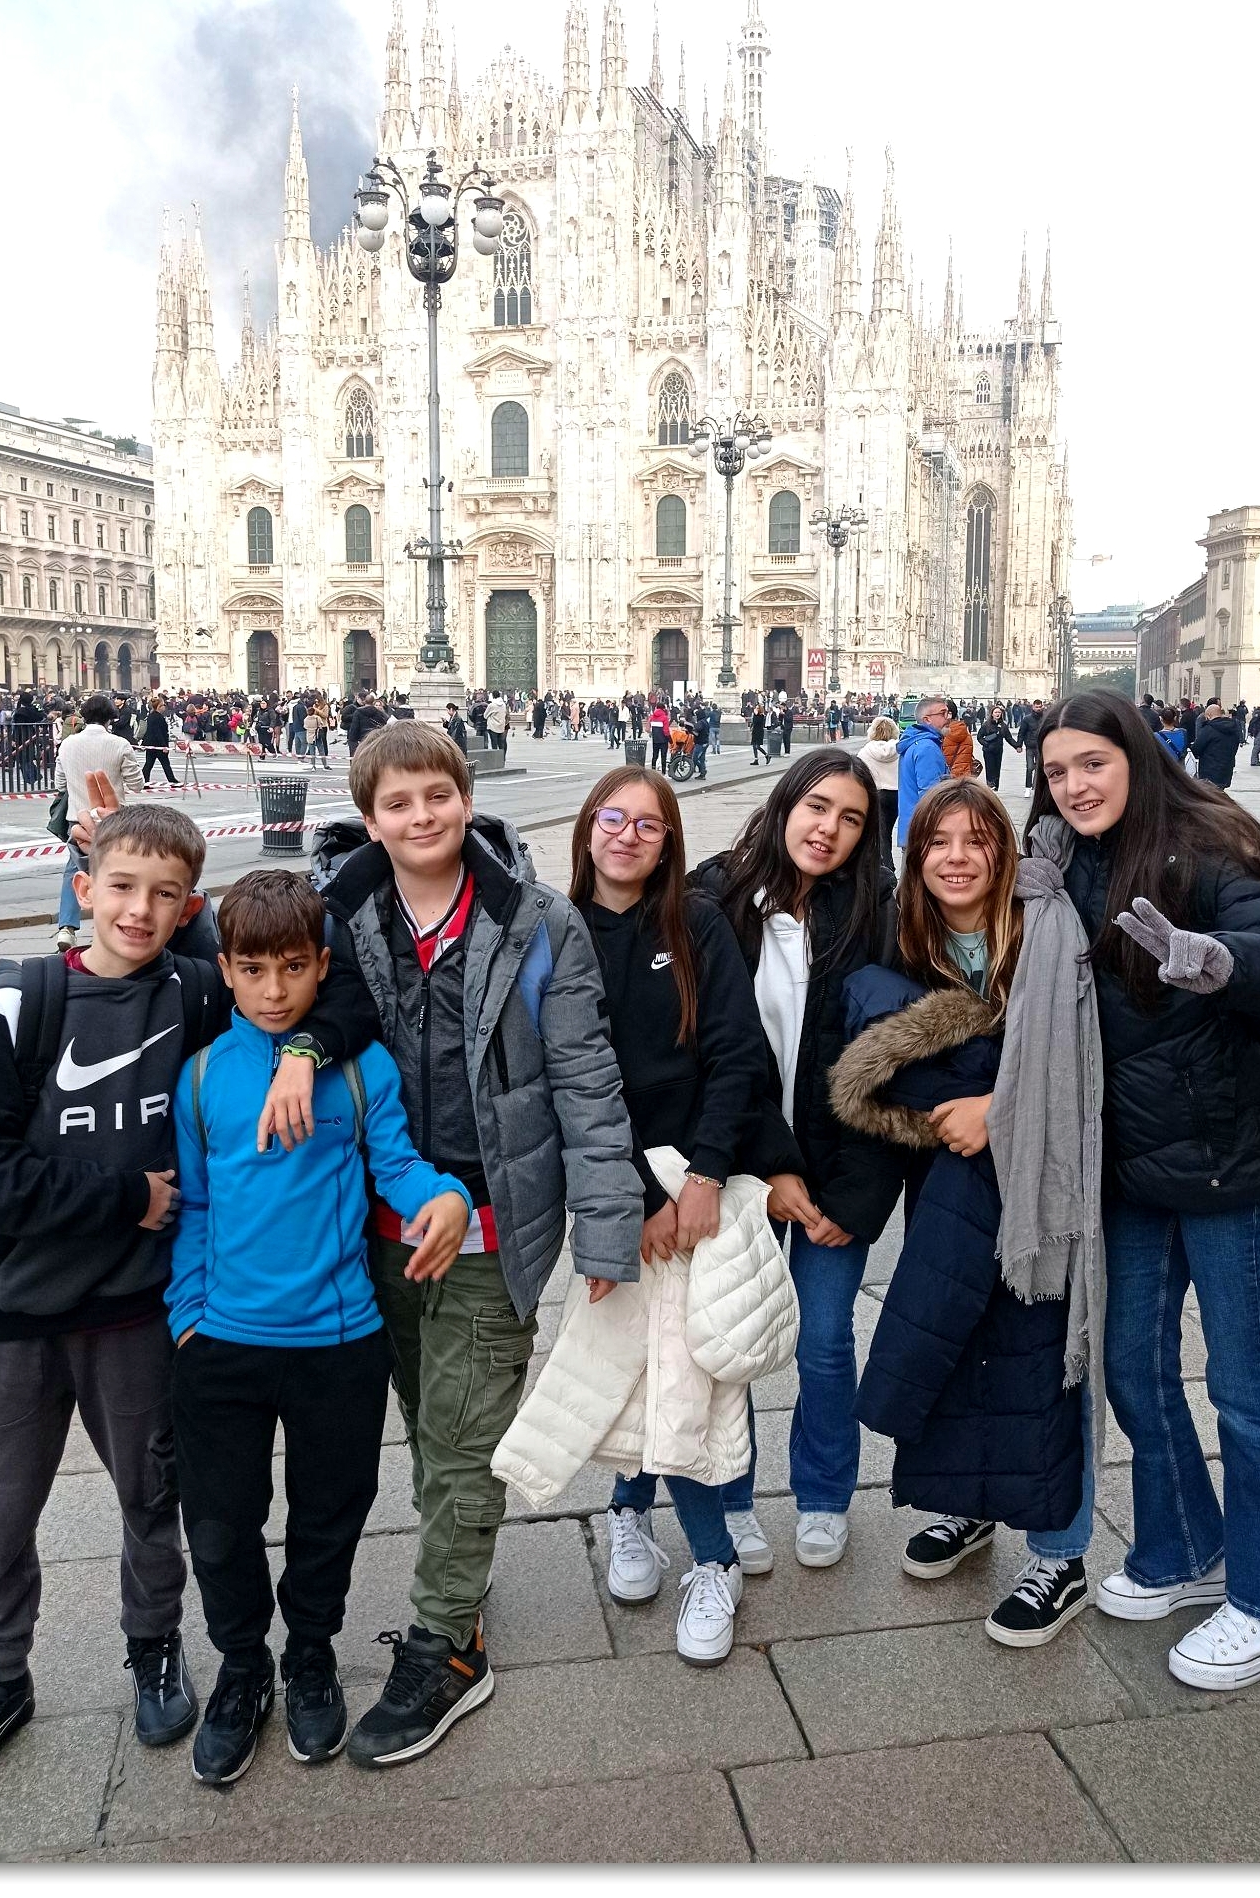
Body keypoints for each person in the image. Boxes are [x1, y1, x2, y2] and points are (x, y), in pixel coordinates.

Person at [254, 723, 642, 1766]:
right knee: (430, 1424)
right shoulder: (337, 914)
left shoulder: (536, 920)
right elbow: (265, 992)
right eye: (398, 802)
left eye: (438, 794)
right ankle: (459, 1575)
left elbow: (586, 1082)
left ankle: (447, 1645)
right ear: (369, 816)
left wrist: (607, 1228)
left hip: (489, 1222)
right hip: (365, 1226)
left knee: (467, 1438)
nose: (421, 816)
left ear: (467, 798)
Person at [1029, 690, 1260, 1690]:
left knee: (1245, 1384)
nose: (1074, 786)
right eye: (1056, 771)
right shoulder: (1058, 865)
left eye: (1092, 763)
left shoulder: (1206, 848)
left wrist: (1225, 961)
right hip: (1135, 1163)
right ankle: (1185, 1546)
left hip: (1233, 1156)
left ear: (1137, 757)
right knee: (1133, 1368)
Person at [0, 805, 227, 1811]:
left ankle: (155, 1646)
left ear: (188, 908)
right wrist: (123, 1198)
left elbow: (299, 984)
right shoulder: (26, 1002)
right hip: (17, 1314)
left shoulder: (197, 993)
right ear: (84, 888)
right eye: (122, 886)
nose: (140, 909)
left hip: (134, 1310)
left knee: (151, 1494)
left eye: (166, 895)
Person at [168, 871, 472, 1784]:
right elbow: (194, 1207)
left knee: (328, 1520)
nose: (274, 990)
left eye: (294, 968)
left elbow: (399, 1166)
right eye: (254, 970)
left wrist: (445, 1198)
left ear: (321, 967)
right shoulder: (202, 1076)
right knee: (220, 1523)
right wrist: (188, 1318)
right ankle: (241, 1667)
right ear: (225, 969)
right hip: (222, 1345)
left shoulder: (358, 1068)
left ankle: (309, 1655)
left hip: (337, 1345)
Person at [830, 777, 1103, 1646]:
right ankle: (970, 1503)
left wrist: (999, 1106)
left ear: (1003, 851)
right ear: (915, 858)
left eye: (975, 841)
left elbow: (1079, 1056)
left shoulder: (1045, 929)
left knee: (1041, 1349)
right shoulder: (906, 936)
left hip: (1041, 1185)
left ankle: (1059, 1554)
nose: (955, 859)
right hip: (949, 1177)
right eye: (937, 843)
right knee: (958, 1340)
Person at [567, 770, 771, 1659]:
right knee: (628, 1364)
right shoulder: (556, 930)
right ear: (587, 829)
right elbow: (572, 1081)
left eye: (648, 825)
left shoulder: (696, 924)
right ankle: (629, 1510)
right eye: (612, 818)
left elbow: (737, 1052)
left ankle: (713, 1559)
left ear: (668, 842)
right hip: (607, 1182)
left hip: (694, 1179)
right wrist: (633, 1198)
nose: (627, 835)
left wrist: (705, 1175)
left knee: (685, 1373)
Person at [691, 750, 896, 1568]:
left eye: (850, 819)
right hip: (739, 1167)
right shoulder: (714, 900)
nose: (828, 829)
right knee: (733, 1341)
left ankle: (823, 1494)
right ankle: (732, 1498)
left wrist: (857, 1198)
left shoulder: (875, 916)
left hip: (837, 1172)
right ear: (784, 805)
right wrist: (756, 1166)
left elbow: (891, 1068)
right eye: (817, 807)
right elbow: (702, 1056)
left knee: (825, 1340)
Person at [53, 692, 145, 954]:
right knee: (117, 874)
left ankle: (67, 927)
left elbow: (60, 784)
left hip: (78, 820)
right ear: (110, 718)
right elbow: (137, 784)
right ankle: (110, 928)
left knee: (74, 871)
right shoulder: (119, 744)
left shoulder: (67, 744)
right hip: (113, 820)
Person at [894, 698, 952, 842]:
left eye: (948, 713)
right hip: (925, 832)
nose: (948, 718)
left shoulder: (916, 742)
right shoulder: (927, 748)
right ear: (927, 719)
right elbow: (931, 795)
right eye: (943, 713)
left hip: (913, 827)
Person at [857, 715, 902, 871]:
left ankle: (887, 866)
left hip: (877, 794)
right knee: (888, 830)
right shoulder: (899, 749)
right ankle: (888, 865)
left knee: (881, 833)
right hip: (897, 794)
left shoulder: (865, 751)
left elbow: (860, 774)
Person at [1192, 700, 1243, 791]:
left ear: (1208, 716)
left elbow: (1197, 748)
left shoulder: (1208, 729)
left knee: (1210, 794)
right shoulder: (1233, 728)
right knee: (1219, 792)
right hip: (1226, 768)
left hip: (1209, 769)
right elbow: (1236, 745)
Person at [977, 703, 1021, 789]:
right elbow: (979, 737)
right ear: (992, 714)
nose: (997, 714)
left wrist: (1017, 746)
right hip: (988, 750)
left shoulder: (1003, 725)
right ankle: (990, 785)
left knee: (997, 768)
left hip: (998, 750)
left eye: (999, 712)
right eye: (996, 712)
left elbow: (1009, 738)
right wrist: (986, 744)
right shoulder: (986, 724)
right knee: (990, 768)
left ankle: (996, 786)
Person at [141, 695, 178, 785]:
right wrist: (164, 745)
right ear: (159, 707)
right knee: (165, 764)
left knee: (149, 764)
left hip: (151, 744)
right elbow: (158, 732)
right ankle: (172, 780)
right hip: (158, 745)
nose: (165, 707)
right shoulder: (158, 717)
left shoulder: (151, 716)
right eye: (163, 705)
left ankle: (144, 781)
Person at [940, 700, 976, 780]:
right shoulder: (965, 732)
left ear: (949, 714)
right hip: (964, 778)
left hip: (947, 779)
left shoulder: (942, 734)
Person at [1015, 699, 1046, 790]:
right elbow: (1021, 733)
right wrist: (1019, 745)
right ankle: (1028, 787)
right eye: (1036, 707)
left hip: (1041, 747)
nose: (1038, 709)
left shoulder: (1045, 718)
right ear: (1033, 707)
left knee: (1039, 768)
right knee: (1029, 767)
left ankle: (1036, 787)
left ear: (1042, 706)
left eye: (1040, 707)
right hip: (1030, 746)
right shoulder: (1027, 719)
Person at [648, 697, 671, 774]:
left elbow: (648, 728)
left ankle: (653, 770)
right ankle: (663, 772)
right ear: (663, 709)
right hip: (663, 740)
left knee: (655, 755)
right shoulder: (664, 718)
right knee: (663, 756)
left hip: (655, 739)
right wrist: (670, 739)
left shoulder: (652, 717)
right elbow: (666, 731)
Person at [749, 698, 770, 765]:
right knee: (753, 745)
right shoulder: (756, 715)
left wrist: (755, 715)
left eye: (758, 708)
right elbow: (753, 723)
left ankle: (766, 755)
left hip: (759, 732)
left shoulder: (761, 716)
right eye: (756, 708)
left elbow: (757, 722)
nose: (756, 709)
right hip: (755, 731)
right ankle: (756, 759)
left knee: (757, 746)